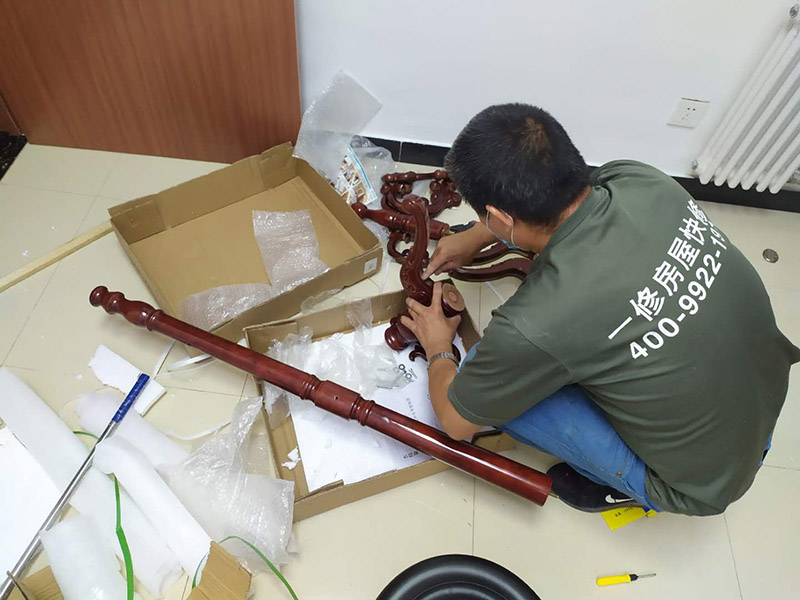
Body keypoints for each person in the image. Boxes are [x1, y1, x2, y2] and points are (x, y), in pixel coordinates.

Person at [399, 103, 800, 515]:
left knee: (484, 380)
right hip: (762, 409)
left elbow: (455, 422)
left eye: (485, 218)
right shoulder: (640, 179)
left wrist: (438, 346)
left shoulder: (533, 324)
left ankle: (629, 486)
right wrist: (476, 236)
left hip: (700, 484)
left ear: (501, 217)